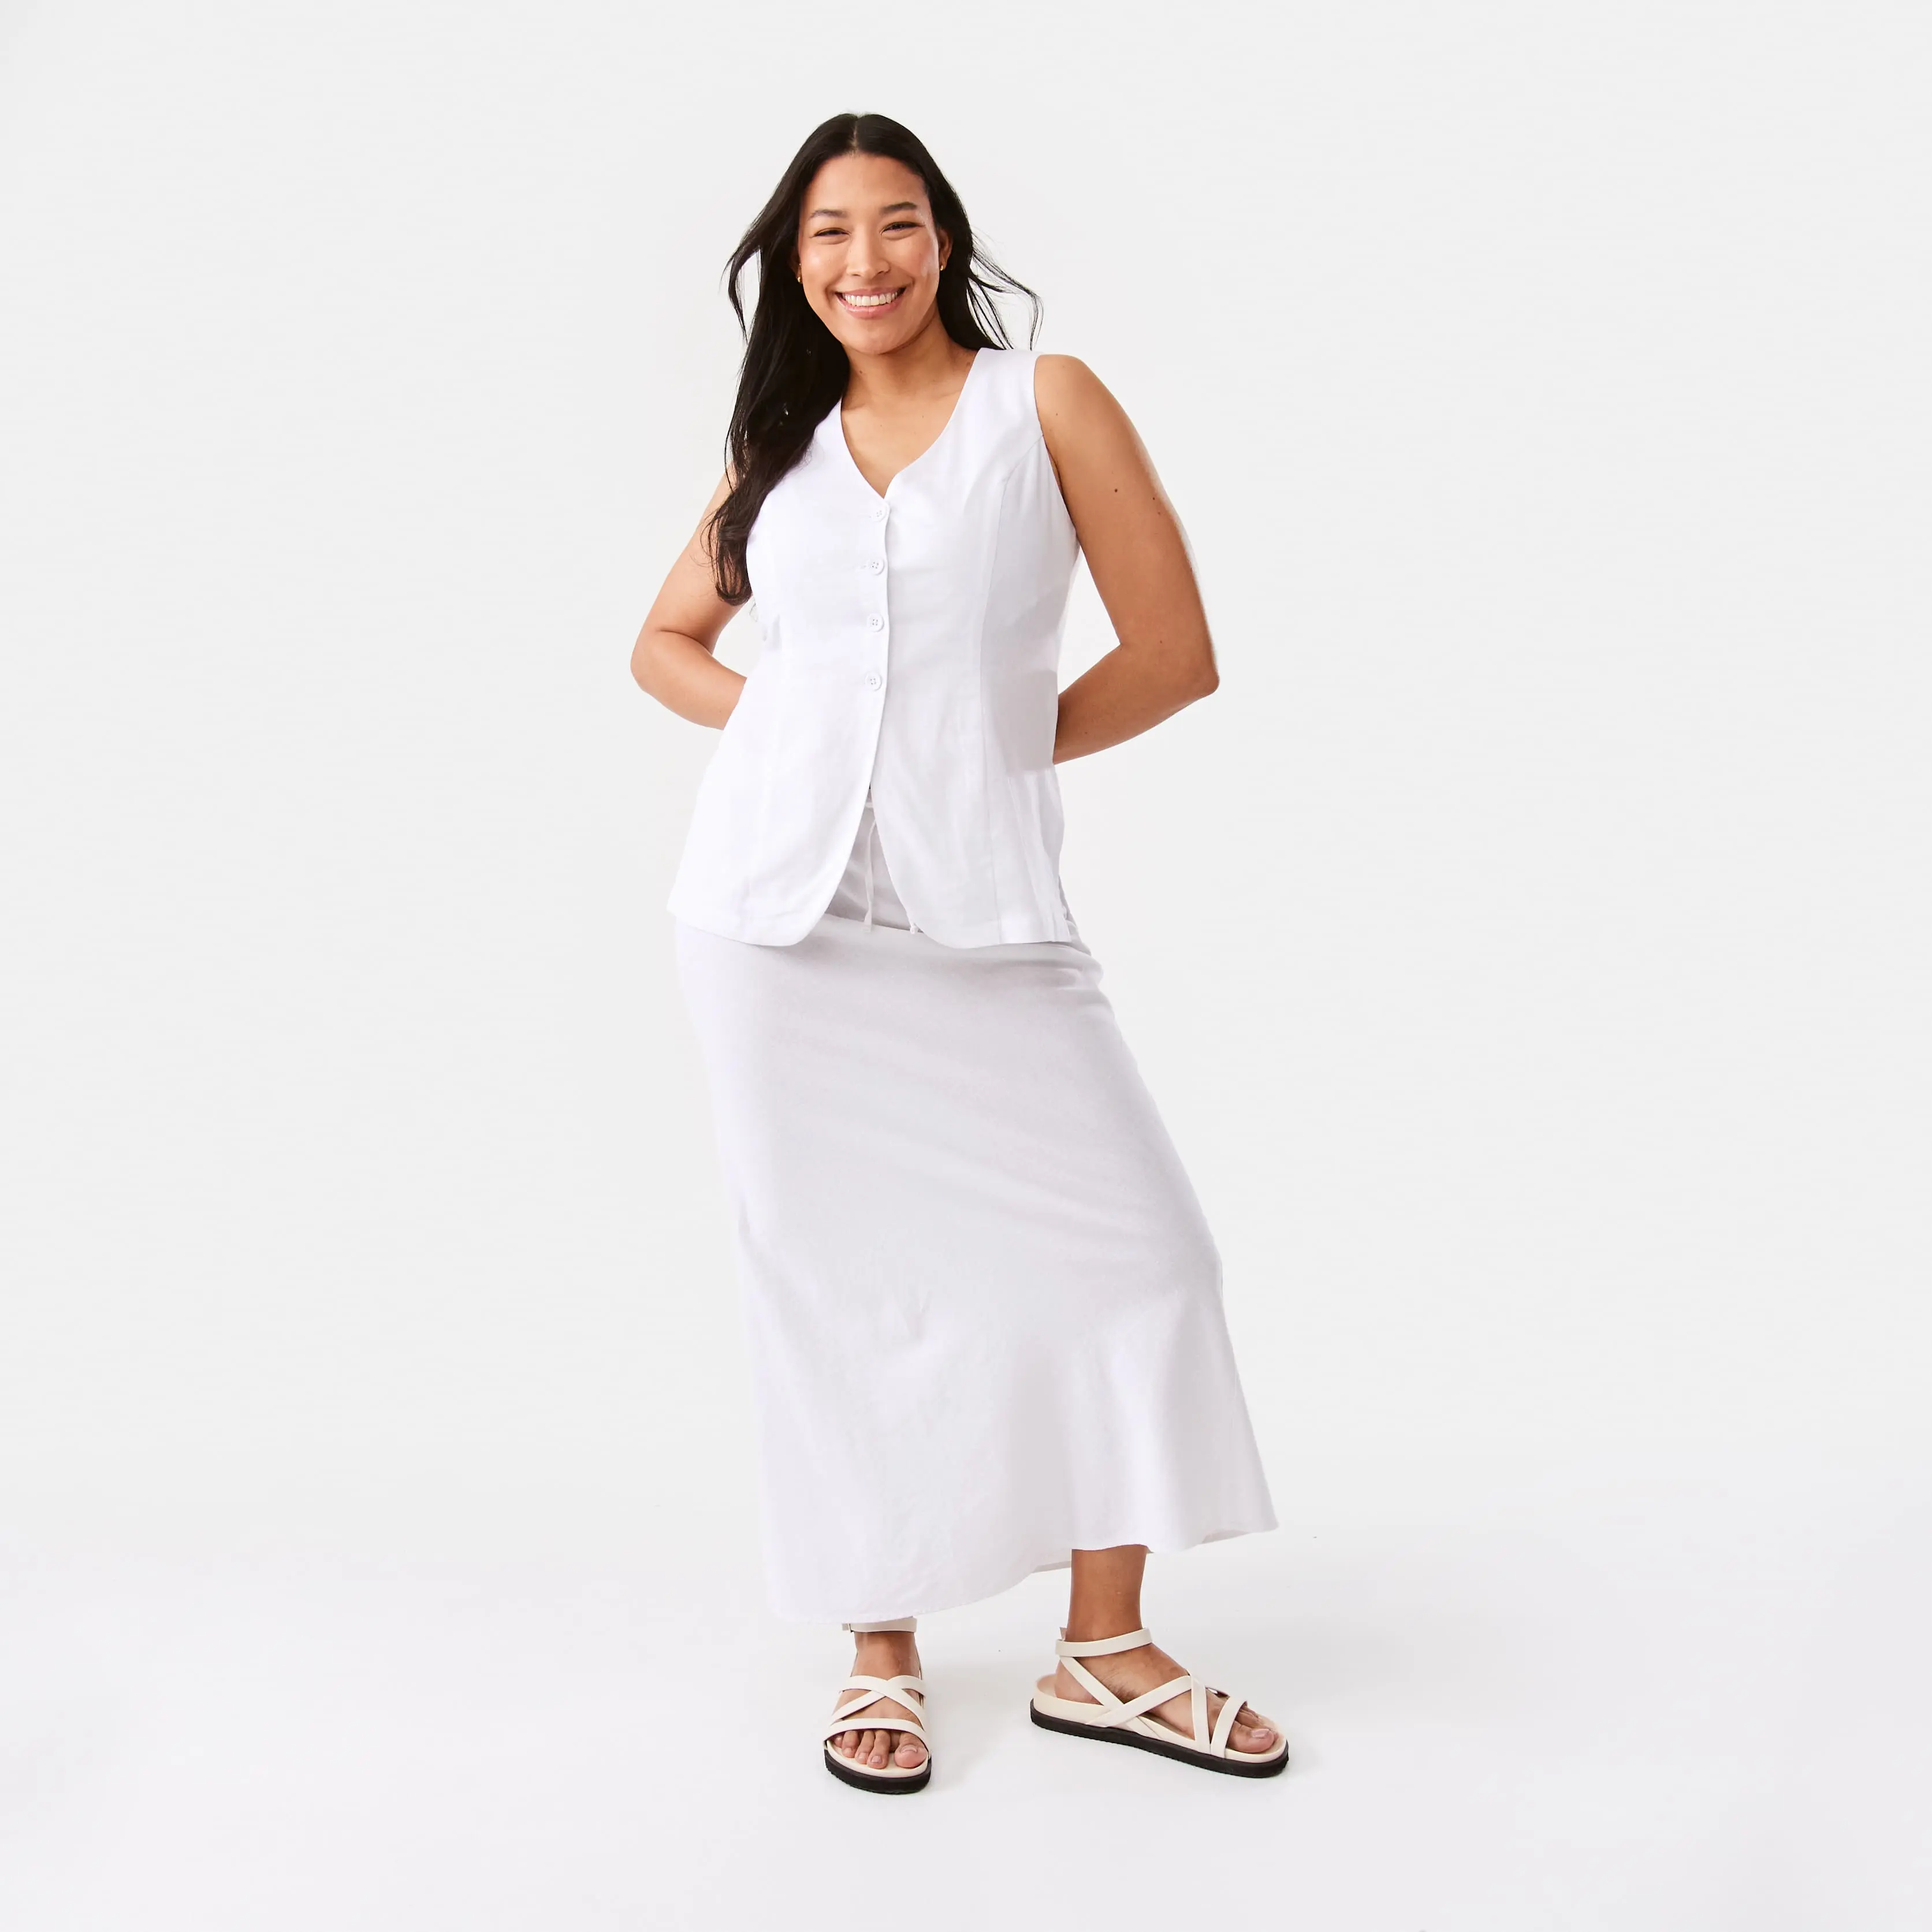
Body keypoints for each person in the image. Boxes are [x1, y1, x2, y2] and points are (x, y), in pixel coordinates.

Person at [631, 112, 1285, 1791]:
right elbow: (666, 643)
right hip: (774, 931)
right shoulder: (777, 444)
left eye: (900, 223)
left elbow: (1178, 651)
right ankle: (881, 1645)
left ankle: (1106, 1649)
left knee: (1147, 1259)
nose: (869, 261)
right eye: (832, 232)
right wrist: (795, 732)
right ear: (794, 261)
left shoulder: (1043, 405)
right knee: (841, 1294)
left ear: (945, 237)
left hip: (987, 923)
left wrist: (978, 757)